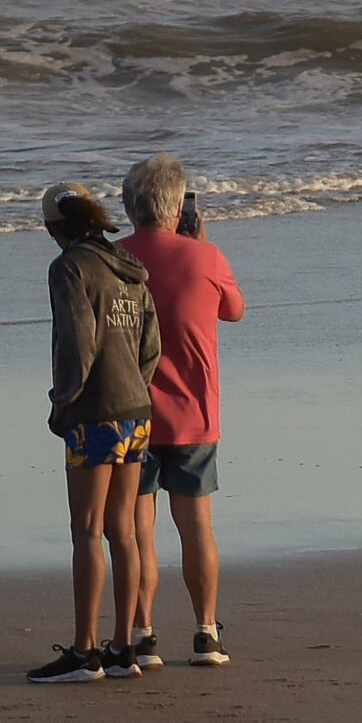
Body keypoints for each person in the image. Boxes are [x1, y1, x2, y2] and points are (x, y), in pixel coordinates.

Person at [27, 181, 162, 684]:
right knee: (122, 530)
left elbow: (77, 343)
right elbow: (151, 346)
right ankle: (124, 648)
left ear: (54, 227)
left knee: (86, 529)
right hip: (136, 410)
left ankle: (85, 651)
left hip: (93, 411)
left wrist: (64, 401)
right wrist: (134, 388)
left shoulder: (69, 267)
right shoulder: (130, 269)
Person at [117, 154, 246, 668]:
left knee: (138, 530)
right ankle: (206, 632)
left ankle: (143, 633)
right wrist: (200, 246)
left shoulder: (116, 259)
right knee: (196, 527)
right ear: (178, 209)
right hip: (193, 413)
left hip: (131, 411)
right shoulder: (205, 258)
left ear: (131, 207)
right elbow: (234, 310)